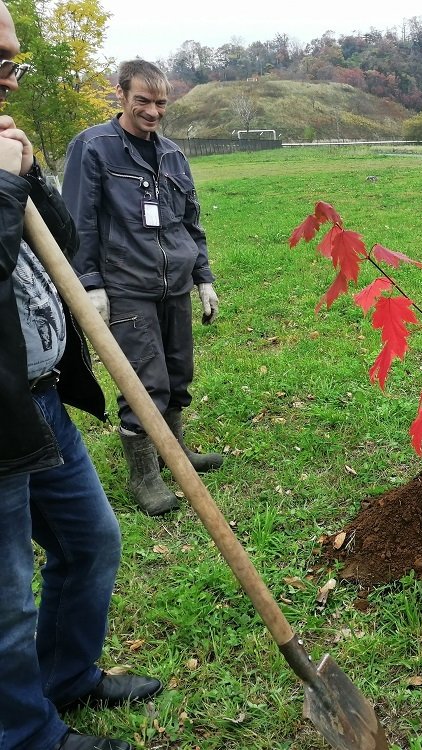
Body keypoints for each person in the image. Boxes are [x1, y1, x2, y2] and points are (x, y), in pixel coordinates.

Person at [0, 6, 162, 748]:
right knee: (7, 604)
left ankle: (67, 678)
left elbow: (59, 245)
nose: (10, 80)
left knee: (91, 543)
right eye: (0, 63)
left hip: (36, 404)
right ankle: (28, 736)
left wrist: (29, 181)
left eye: (13, 64)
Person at [62, 59, 222, 516]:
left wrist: (203, 276)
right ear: (121, 96)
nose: (152, 112)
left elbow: (190, 221)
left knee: (177, 372)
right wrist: (90, 284)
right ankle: (144, 475)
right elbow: (79, 223)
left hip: (174, 284)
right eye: (143, 102)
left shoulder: (172, 154)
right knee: (143, 379)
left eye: (160, 103)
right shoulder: (94, 148)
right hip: (126, 285)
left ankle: (177, 455)